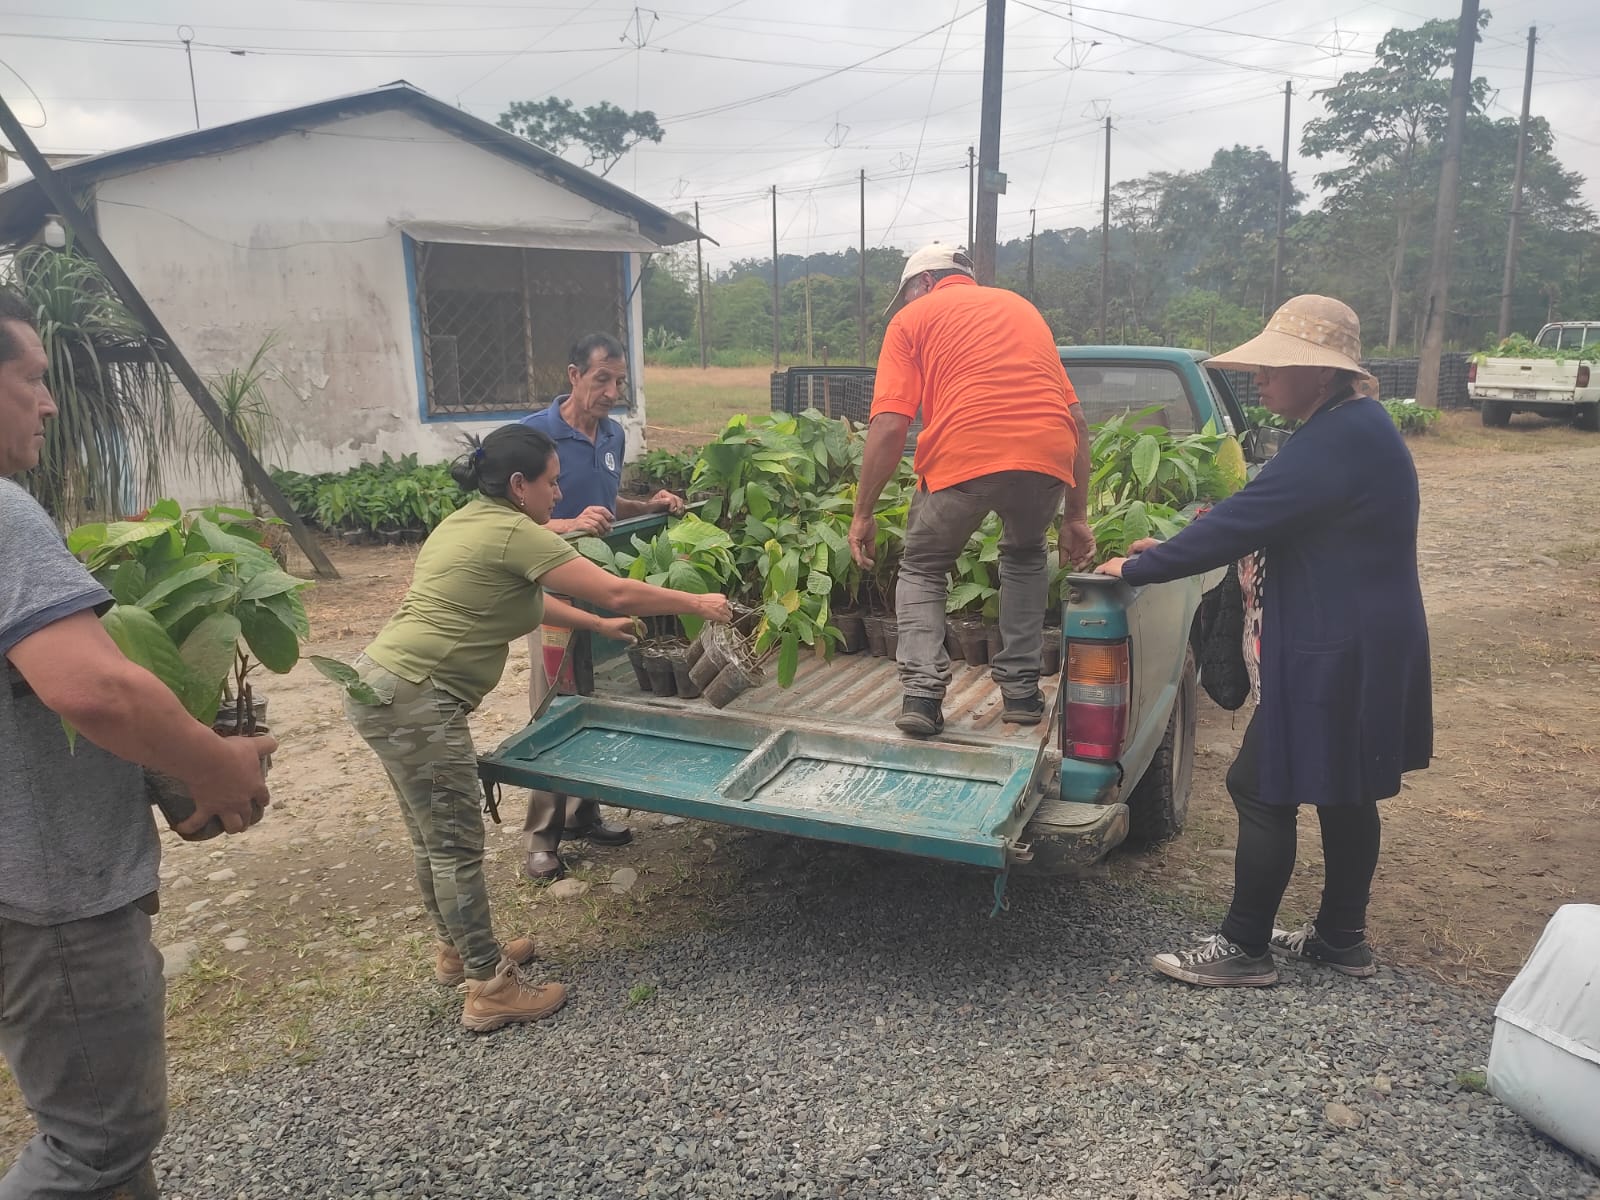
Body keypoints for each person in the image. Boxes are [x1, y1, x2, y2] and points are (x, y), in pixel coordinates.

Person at [0, 288, 275, 1198]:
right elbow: (95, 688)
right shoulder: (4, 514)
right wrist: (213, 764)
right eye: (32, 378)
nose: (49, 403)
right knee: (97, 1143)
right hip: (54, 897)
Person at [340, 423, 729, 1032]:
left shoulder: (467, 521)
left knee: (430, 838)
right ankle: (489, 988)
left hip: (382, 685)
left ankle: (459, 952)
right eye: (552, 483)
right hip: (418, 697)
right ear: (519, 485)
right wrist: (698, 603)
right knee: (454, 846)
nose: (559, 494)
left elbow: (522, 599)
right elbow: (616, 591)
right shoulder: (514, 532)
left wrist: (593, 626)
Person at [1096, 294, 1432, 988]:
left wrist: (1135, 567)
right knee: (1346, 789)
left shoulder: (1337, 438)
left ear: (1323, 373)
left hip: (1336, 643)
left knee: (1258, 785)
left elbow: (1246, 521)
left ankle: (1244, 947)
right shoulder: (1353, 426)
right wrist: (1177, 543)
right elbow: (1269, 513)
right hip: (1363, 637)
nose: (1260, 377)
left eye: (1276, 365)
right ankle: (1341, 939)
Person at [848, 243, 1095, 738]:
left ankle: (922, 697)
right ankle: (1022, 694)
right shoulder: (1022, 310)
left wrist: (863, 513)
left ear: (923, 283)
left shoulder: (912, 319)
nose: (904, 304)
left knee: (923, 566)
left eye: (906, 294)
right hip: (1047, 452)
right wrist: (1075, 517)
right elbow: (1077, 420)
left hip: (964, 452)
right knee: (1025, 556)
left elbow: (891, 424)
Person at [517, 332, 687, 878]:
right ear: (573, 376)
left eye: (619, 382)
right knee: (554, 702)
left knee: (598, 694)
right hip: (553, 590)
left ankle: (584, 813)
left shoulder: (612, 433)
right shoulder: (534, 435)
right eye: (601, 380)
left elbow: (606, 502)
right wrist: (567, 523)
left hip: (602, 581)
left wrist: (648, 504)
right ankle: (541, 837)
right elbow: (504, 519)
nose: (612, 392)